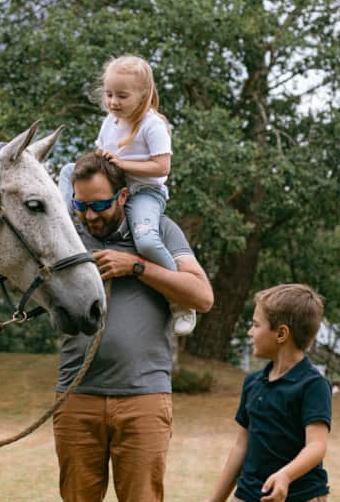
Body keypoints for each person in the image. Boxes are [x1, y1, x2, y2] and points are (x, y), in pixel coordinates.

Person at [53, 152, 214, 502]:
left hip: (143, 396)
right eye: (81, 205)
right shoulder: (66, 234)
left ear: (123, 196)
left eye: (100, 205)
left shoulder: (158, 230)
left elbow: (202, 297)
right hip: (76, 395)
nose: (90, 216)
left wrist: (137, 266)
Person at [58, 55, 197, 336]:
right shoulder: (111, 120)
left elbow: (162, 167)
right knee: (67, 169)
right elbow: (100, 153)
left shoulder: (152, 124)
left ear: (143, 95)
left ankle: (180, 301)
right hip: (117, 182)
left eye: (122, 96)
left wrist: (122, 164)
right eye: (109, 95)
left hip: (145, 190)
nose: (113, 102)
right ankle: (60, 217)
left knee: (146, 240)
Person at [206, 284, 331, 502]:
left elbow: (317, 445)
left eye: (256, 325)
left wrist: (286, 475)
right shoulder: (253, 383)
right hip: (249, 494)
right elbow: (241, 447)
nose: (250, 332)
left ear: (281, 333)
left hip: (300, 496)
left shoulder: (313, 384)